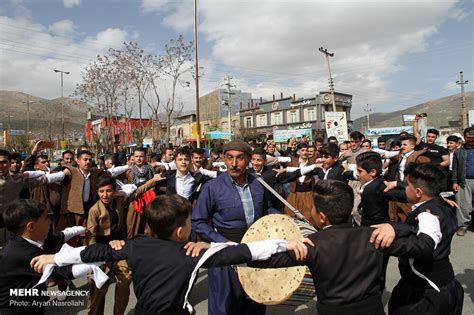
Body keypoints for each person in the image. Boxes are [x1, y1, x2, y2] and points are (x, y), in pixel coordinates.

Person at [31, 194, 308, 315]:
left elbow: (94, 251)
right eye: (189, 222)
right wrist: (285, 242)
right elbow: (243, 252)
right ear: (179, 231)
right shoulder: (190, 254)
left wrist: (54, 259)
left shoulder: (135, 244)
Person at [250, 180, 442, 315]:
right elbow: (424, 246)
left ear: (322, 216)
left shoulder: (312, 244)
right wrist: (416, 219)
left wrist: (235, 251)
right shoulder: (376, 237)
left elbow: (265, 260)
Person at [192, 140, 279, 315]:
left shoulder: (259, 184)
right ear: (223, 159)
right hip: (225, 255)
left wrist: (283, 221)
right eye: (229, 157)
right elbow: (198, 221)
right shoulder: (212, 187)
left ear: (248, 160)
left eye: (240, 158)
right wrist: (222, 241)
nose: (234, 163)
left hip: (255, 252)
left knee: (254, 304)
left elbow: (266, 211)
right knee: (223, 306)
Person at [375, 163, 463, 314]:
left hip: (425, 292)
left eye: (406, 185)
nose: (404, 188)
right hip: (443, 285)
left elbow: (422, 242)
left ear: (418, 192)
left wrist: (392, 228)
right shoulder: (439, 203)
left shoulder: (429, 215)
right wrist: (397, 183)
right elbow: (405, 193)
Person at [86, 174, 161, 315]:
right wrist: (95, 259)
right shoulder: (94, 210)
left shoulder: (120, 201)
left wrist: (153, 181)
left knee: (124, 285)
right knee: (97, 293)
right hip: (102, 252)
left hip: (120, 249)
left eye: (108, 191)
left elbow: (138, 192)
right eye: (101, 191)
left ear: (114, 191)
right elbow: (91, 236)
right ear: (97, 192)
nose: (105, 195)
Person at [0, 200, 91, 314]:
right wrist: (103, 255)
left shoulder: (26, 238)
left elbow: (56, 238)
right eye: (46, 218)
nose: (50, 222)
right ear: (31, 226)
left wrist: (78, 230)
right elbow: (67, 271)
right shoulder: (24, 254)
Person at [356, 151, 407, 226]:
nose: (357, 174)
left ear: (373, 172)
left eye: (360, 171)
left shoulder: (380, 187)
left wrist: (398, 184)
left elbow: (407, 194)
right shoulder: (370, 182)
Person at [452, 126, 474, 236]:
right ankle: (463, 226)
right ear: (464, 137)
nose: (471, 139)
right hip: (464, 181)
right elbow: (455, 168)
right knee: (464, 206)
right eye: (468, 137)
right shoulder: (459, 152)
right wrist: (454, 182)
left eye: (473, 137)